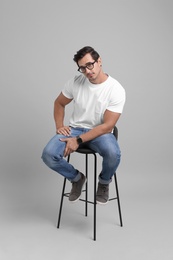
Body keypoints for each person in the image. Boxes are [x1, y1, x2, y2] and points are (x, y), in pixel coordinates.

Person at [42, 46, 126, 205]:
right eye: (82, 67)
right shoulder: (75, 82)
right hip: (74, 129)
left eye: (90, 65)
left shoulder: (115, 89)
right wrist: (59, 125)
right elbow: (59, 103)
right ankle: (77, 178)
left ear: (99, 61)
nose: (87, 71)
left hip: (100, 132)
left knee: (113, 153)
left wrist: (78, 140)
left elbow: (108, 126)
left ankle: (104, 183)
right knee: (48, 154)